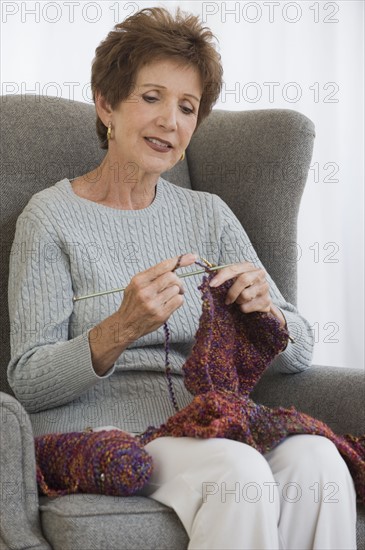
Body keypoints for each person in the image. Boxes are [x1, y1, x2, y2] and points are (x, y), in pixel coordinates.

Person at [7, 7, 356, 549]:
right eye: (151, 98)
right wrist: (119, 328)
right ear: (106, 105)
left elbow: (300, 348)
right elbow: (27, 378)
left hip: (208, 424)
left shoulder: (209, 214)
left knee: (318, 462)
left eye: (187, 107)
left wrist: (268, 314)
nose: (171, 120)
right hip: (110, 434)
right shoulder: (50, 217)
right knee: (237, 474)